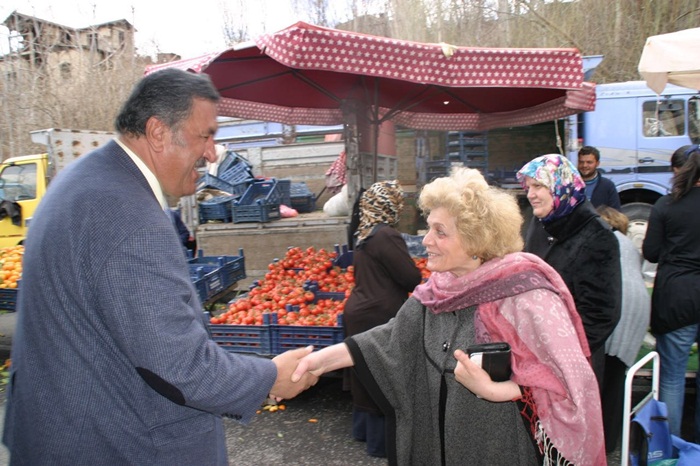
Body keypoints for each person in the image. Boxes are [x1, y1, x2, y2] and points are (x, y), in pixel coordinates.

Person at [2, 68, 318, 465]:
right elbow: (178, 367)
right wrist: (269, 377)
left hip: (62, 427)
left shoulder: (87, 180)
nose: (210, 153)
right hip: (108, 444)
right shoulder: (128, 214)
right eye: (205, 135)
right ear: (157, 133)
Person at [292, 167, 606, 465]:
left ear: (475, 241)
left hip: (498, 451)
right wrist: (319, 362)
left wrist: (498, 390)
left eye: (440, 232)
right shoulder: (437, 291)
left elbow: (569, 382)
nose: (426, 240)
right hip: (439, 447)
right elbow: (389, 337)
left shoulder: (525, 295)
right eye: (429, 228)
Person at [517, 153, 621, 390]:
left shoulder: (597, 235)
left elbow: (601, 314)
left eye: (539, 186)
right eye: (529, 186)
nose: (530, 194)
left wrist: (559, 352)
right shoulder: (541, 222)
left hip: (573, 364)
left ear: (560, 185)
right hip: (534, 354)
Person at [343, 180, 422, 458]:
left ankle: (362, 432)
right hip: (379, 314)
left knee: (363, 374)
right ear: (391, 204)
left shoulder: (363, 233)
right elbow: (410, 277)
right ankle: (380, 444)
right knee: (383, 375)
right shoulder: (386, 235)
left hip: (358, 311)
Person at [642, 144, 700, 442]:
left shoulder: (667, 204)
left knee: (673, 377)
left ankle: (670, 448)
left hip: (677, 295)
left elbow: (650, 252)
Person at [597, 205, 651, 453]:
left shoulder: (603, 237)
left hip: (617, 305)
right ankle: (611, 442)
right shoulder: (627, 243)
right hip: (638, 306)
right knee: (617, 380)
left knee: (602, 379)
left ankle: (601, 443)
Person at [577, 145, 622, 210]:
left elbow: (615, 214)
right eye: (581, 162)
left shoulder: (608, 186)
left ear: (597, 163)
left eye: (589, 162)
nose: (584, 165)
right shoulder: (570, 185)